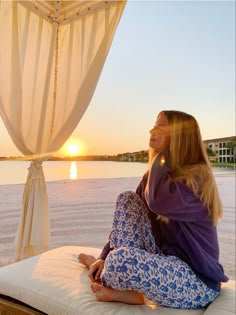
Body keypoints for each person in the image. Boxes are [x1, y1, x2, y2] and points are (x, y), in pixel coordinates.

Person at [78, 110, 228, 309]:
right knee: (127, 199)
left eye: (160, 126)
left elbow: (158, 202)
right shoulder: (154, 177)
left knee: (120, 261)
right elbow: (127, 222)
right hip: (164, 261)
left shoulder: (197, 179)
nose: (151, 130)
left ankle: (124, 284)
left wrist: (162, 155)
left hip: (195, 282)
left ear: (178, 136)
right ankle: (119, 280)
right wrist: (103, 256)